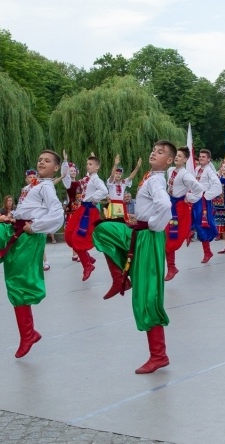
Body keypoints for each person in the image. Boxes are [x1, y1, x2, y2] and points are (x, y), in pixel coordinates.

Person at [0, 150, 64, 358]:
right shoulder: (32, 185)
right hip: (13, 227)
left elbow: (58, 214)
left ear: (56, 168)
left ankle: (28, 335)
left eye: (48, 160)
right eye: (40, 159)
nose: (42, 162)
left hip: (28, 236)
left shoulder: (47, 187)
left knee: (17, 284)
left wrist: (35, 227)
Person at [93, 140, 175, 374]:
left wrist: (150, 224)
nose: (154, 153)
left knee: (147, 295)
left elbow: (166, 208)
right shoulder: (151, 176)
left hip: (148, 236)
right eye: (153, 150)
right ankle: (120, 277)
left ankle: (159, 355)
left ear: (169, 160)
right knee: (103, 229)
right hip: (139, 233)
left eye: (160, 153)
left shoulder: (157, 180)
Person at [161, 146, 204, 282]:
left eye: (180, 156)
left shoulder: (186, 175)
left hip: (179, 208)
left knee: (170, 236)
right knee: (164, 234)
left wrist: (189, 198)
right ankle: (171, 267)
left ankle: (171, 267)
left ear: (185, 159)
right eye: (176, 155)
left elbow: (199, 189)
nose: (176, 158)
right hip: (169, 204)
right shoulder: (170, 170)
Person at [65, 153, 108, 281]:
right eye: (87, 164)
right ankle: (87, 258)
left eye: (90, 164)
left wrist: (94, 199)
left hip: (88, 211)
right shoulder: (87, 178)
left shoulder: (96, 179)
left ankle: (87, 265)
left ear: (97, 167)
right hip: (82, 209)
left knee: (78, 238)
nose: (87, 166)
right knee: (69, 234)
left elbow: (104, 191)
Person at [190, 149, 222, 263]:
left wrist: (206, 195)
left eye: (204, 157)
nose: (201, 158)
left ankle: (207, 251)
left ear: (209, 159)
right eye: (200, 156)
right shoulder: (197, 169)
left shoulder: (209, 171)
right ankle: (189, 233)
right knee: (190, 219)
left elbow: (217, 185)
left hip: (203, 200)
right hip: (195, 198)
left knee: (201, 224)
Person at [104, 155, 141, 219]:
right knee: (113, 220)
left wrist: (137, 167)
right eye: (116, 173)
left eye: (120, 174)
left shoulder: (123, 183)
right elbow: (112, 176)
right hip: (113, 204)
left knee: (122, 221)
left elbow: (131, 176)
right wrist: (115, 165)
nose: (118, 175)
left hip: (121, 205)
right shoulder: (111, 183)